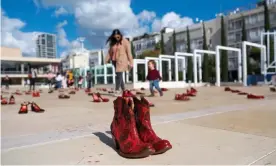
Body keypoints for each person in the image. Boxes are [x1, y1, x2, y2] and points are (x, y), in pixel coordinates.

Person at [105, 29, 133, 96]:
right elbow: (110, 52)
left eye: (118, 36)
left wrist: (131, 62)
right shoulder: (113, 42)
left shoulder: (125, 41)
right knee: (119, 76)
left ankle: (117, 90)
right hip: (114, 61)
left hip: (122, 60)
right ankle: (124, 90)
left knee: (118, 75)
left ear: (120, 35)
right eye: (115, 36)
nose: (116, 37)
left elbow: (129, 53)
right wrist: (106, 60)